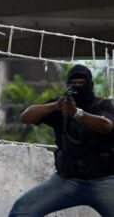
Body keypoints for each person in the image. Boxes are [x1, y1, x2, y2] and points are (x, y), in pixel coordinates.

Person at [9, 64, 114, 216]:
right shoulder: (61, 107)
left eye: (81, 83)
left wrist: (77, 114)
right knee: (22, 210)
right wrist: (56, 105)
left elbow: (106, 125)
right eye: (74, 83)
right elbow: (26, 116)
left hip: (103, 180)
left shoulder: (102, 105)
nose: (77, 87)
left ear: (89, 84)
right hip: (67, 180)